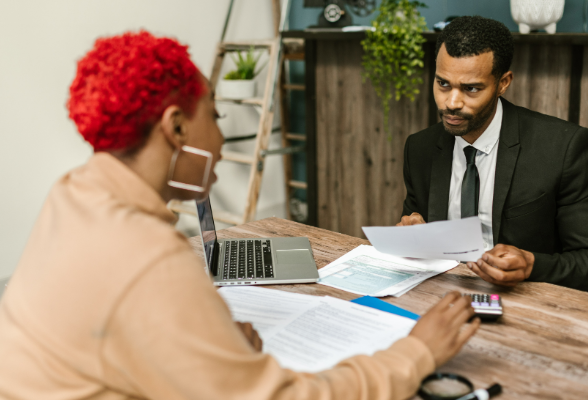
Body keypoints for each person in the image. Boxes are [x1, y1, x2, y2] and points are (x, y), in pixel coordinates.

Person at [0, 31, 480, 400]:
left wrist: (202, 344)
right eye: (216, 116)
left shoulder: (73, 194)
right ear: (177, 127)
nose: (221, 142)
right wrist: (417, 352)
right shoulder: (149, 258)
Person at [398, 17, 588, 294]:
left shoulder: (563, 148)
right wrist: (410, 235)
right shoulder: (421, 148)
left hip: (531, 302)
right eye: (443, 84)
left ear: (503, 83)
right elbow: (417, 235)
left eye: (471, 88)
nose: (452, 103)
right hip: (444, 297)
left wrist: (532, 266)